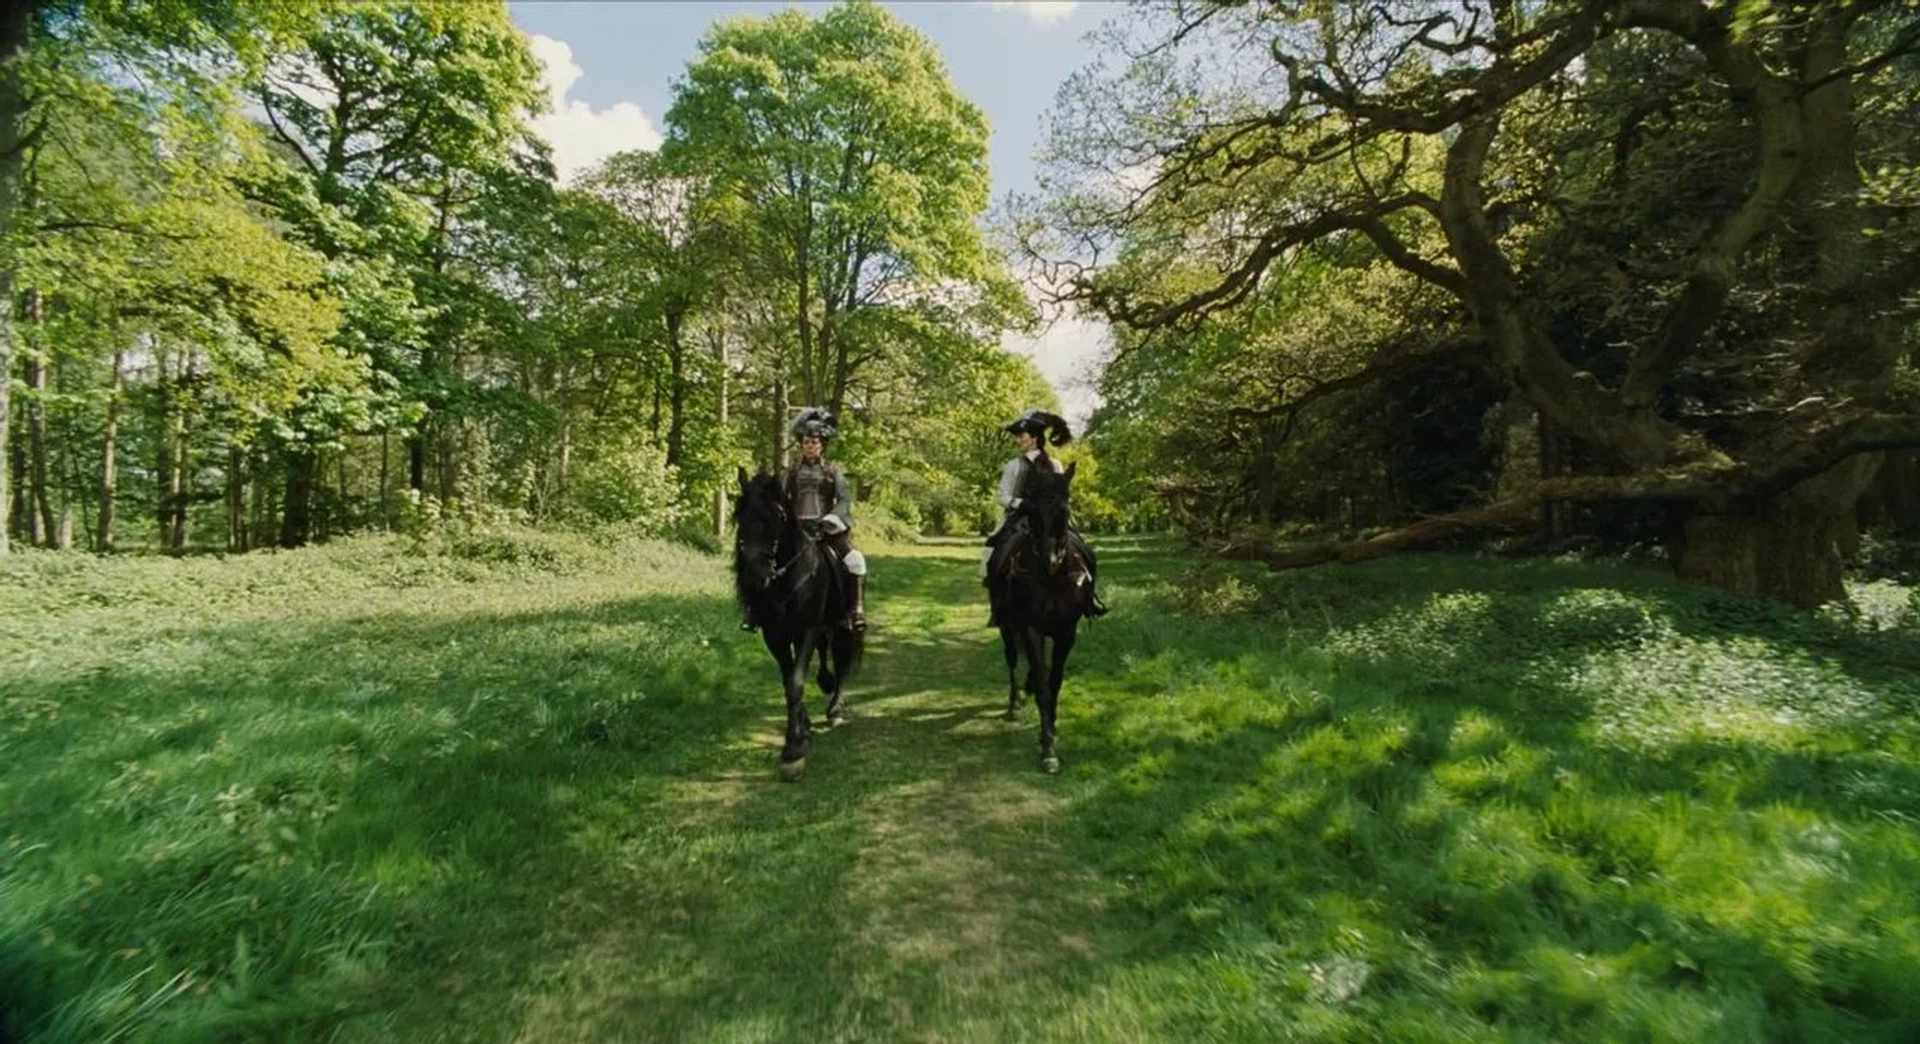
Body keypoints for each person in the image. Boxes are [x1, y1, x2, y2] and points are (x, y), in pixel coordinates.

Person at [741, 406, 868, 633]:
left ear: (822, 445)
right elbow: (778, 499)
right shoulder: (790, 473)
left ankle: (855, 611)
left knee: (856, 560)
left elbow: (845, 500)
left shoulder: (833, 472)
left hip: (827, 529)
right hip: (796, 529)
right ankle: (755, 612)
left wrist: (830, 519)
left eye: (814, 442)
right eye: (806, 442)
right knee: (762, 561)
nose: (809, 446)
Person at [982, 408, 1108, 626]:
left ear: (1035, 439)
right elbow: (1002, 496)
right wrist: (1023, 504)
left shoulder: (1056, 465)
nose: (1018, 440)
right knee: (993, 557)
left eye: (1021, 436)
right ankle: (999, 608)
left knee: (1085, 552)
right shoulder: (1013, 466)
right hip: (1020, 519)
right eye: (1018, 436)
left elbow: (1061, 493)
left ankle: (1089, 601)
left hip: (1050, 519)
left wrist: (1056, 509)